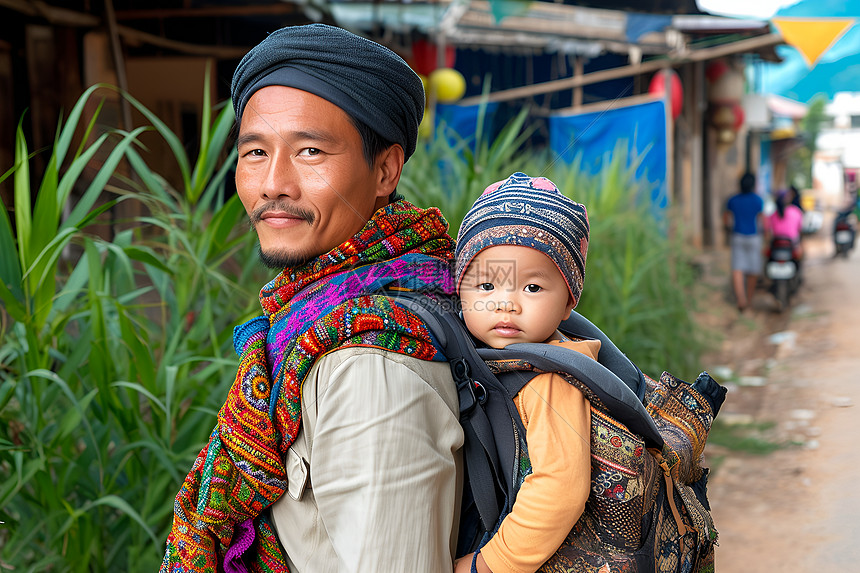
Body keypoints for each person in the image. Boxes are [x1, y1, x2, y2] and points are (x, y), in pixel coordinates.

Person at [160, 24, 464, 572]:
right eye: (254, 151)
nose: (273, 183)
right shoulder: (309, 321)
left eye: (309, 150)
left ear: (385, 169)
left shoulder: (371, 366)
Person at [452, 172, 597, 573]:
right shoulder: (481, 358)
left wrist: (487, 565)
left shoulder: (549, 380)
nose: (505, 305)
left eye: (532, 289)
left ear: (568, 302)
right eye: (485, 286)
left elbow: (560, 489)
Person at [723, 172, 764, 312]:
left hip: (737, 236)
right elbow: (762, 220)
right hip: (754, 237)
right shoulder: (758, 200)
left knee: (738, 269)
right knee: (753, 270)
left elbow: (726, 218)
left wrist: (728, 229)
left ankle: (741, 300)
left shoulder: (732, 200)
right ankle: (749, 299)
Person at [766, 190, 804, 258]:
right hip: (792, 244)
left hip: (776, 244)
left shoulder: (772, 214)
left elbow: (768, 231)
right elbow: (800, 230)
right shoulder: (796, 211)